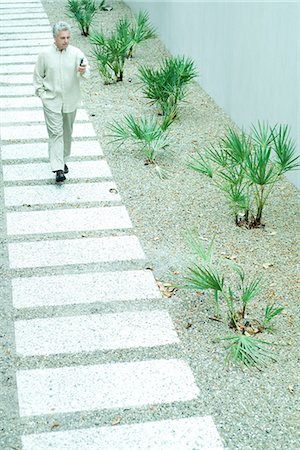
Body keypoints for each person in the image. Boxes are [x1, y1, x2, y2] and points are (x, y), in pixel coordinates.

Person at [33, 21, 89, 183]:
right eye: (62, 38)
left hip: (71, 101)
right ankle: (58, 168)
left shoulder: (76, 53)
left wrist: (84, 71)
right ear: (54, 38)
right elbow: (38, 76)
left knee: (67, 133)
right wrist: (42, 95)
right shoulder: (44, 55)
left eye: (68, 37)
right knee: (56, 133)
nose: (66, 41)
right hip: (51, 101)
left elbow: (87, 70)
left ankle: (63, 160)